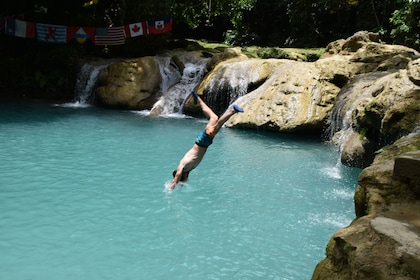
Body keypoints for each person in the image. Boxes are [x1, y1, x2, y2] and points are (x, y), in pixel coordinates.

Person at [169, 91, 244, 190]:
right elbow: (182, 176)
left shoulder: (183, 165)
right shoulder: (189, 169)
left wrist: (173, 185)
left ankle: (232, 110)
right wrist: (181, 184)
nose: (186, 178)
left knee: (216, 127)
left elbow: (178, 174)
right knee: (214, 117)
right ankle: (198, 99)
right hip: (203, 143)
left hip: (201, 142)